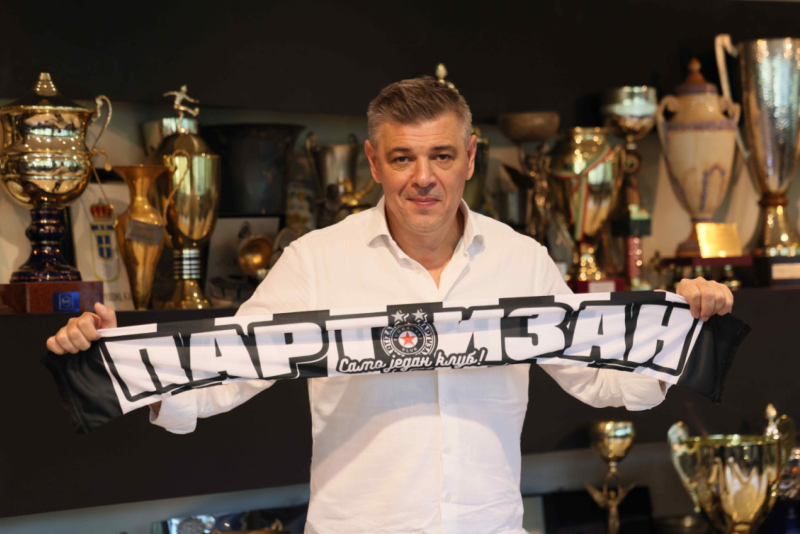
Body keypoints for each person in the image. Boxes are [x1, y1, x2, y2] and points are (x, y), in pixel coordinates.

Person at [47, 77, 734, 534]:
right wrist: (115, 352)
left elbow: (603, 381)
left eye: (442, 156)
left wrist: (685, 324)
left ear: (471, 157)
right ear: (373, 163)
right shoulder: (316, 261)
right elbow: (223, 378)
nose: (423, 178)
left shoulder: (521, 259)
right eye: (403, 158)